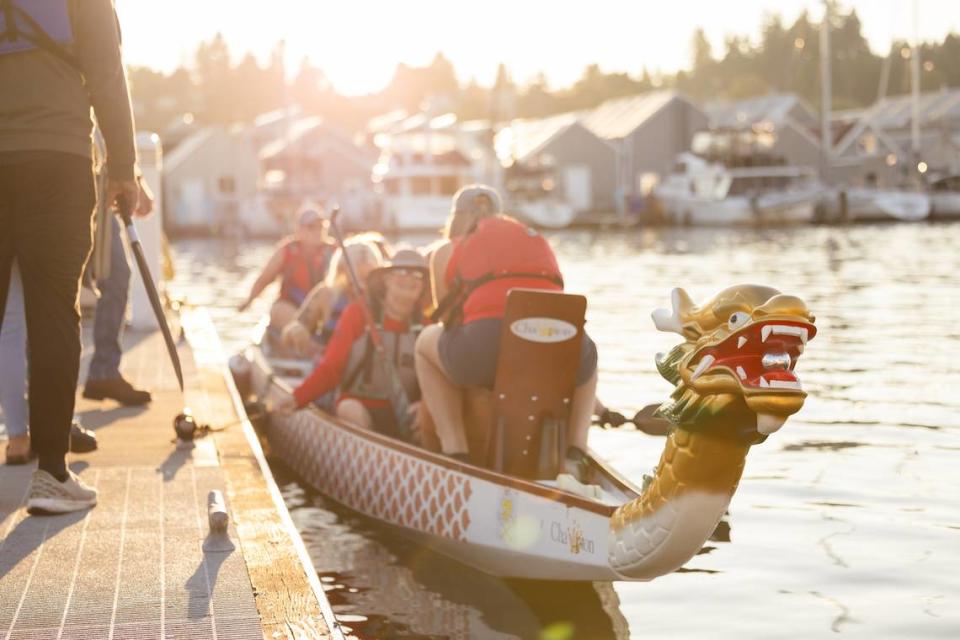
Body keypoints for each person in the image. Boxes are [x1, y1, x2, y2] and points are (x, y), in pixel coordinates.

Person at [0, 0, 138, 513]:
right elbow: (106, 69)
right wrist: (123, 166)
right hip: (57, 160)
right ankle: (52, 475)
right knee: (54, 312)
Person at [414, 185, 599, 472]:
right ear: (500, 215)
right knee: (588, 354)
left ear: (456, 218)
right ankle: (576, 451)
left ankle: (455, 451)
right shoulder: (532, 238)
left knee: (424, 344)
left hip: (485, 345)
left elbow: (448, 321)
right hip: (556, 343)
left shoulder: (446, 250)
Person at [283, 250, 429, 437]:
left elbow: (435, 379)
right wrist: (297, 398)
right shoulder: (357, 315)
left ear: (423, 286)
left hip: (407, 414)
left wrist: (426, 406)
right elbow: (331, 369)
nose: (408, 279)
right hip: (360, 409)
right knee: (348, 408)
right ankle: (372, 456)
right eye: (400, 272)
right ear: (386, 280)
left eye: (416, 275)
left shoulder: (427, 326)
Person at [82, 127, 154, 405]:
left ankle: (103, 370)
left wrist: (133, 179)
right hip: (70, 176)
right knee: (52, 292)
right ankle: (40, 402)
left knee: (116, 277)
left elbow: (108, 122)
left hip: (99, 183)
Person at [280, 233, 385, 358]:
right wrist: (299, 332)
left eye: (367, 277)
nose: (361, 284)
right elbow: (291, 330)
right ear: (342, 270)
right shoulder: (326, 294)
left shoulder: (382, 299)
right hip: (327, 361)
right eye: (357, 277)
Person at [238, 205, 334, 329]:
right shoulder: (286, 251)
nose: (318, 231)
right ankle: (306, 339)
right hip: (291, 307)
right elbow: (265, 279)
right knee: (279, 311)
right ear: (299, 230)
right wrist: (248, 301)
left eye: (321, 226)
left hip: (321, 309)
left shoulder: (334, 250)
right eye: (311, 227)